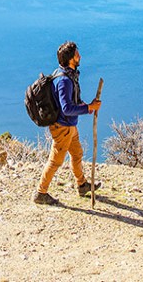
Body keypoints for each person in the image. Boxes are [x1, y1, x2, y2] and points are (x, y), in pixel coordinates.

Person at [33, 41, 102, 205]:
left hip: (69, 126)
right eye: (77, 54)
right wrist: (88, 108)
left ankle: (82, 185)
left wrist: (88, 106)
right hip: (62, 127)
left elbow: (73, 101)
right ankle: (40, 193)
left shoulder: (66, 74)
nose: (80, 56)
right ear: (71, 59)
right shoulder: (64, 80)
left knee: (77, 154)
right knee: (55, 161)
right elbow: (67, 108)